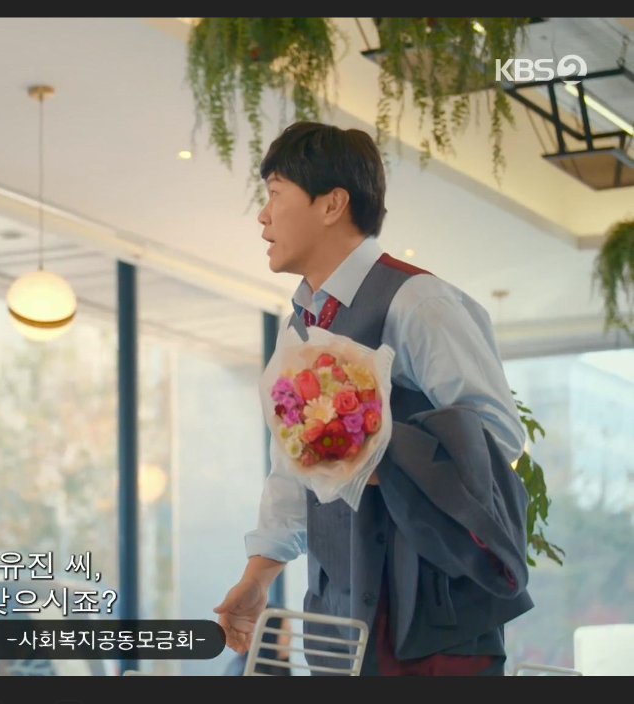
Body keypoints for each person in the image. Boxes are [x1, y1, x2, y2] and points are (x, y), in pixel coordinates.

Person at [214, 122, 533, 676]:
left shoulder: (418, 301)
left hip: (430, 613)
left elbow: (496, 434)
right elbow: (293, 473)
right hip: (339, 613)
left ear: (332, 204)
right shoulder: (299, 328)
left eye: (275, 193)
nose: (263, 216)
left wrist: (368, 456)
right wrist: (256, 578)